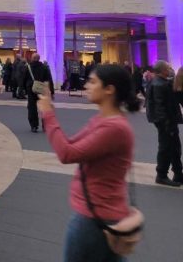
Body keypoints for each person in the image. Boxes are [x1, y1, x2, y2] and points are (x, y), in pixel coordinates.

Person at [38, 64, 141, 261]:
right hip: (104, 212)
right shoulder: (104, 120)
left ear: (109, 90)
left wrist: (48, 115)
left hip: (95, 217)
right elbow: (70, 145)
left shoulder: (114, 128)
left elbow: (66, 154)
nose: (86, 85)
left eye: (93, 82)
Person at [145, 60, 183, 186]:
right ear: (162, 70)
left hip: (166, 120)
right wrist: (167, 124)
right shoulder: (159, 84)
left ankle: (178, 173)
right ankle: (161, 175)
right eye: (168, 68)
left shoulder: (158, 82)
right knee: (166, 148)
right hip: (165, 122)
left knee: (174, 147)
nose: (170, 69)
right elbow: (159, 107)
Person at [25, 54, 55, 132]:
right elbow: (49, 80)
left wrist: (23, 89)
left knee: (32, 108)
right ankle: (45, 125)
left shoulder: (28, 67)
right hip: (42, 89)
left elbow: (23, 78)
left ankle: (34, 126)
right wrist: (51, 92)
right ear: (39, 59)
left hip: (31, 89)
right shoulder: (44, 67)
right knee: (44, 108)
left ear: (32, 58)